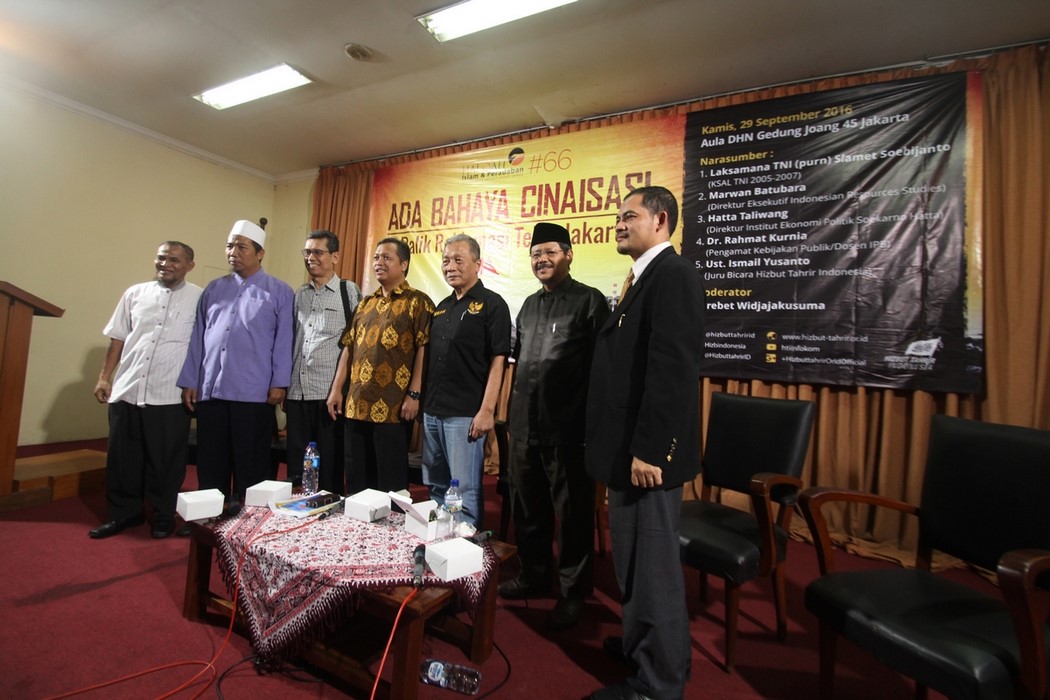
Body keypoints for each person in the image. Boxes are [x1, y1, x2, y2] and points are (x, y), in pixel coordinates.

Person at [586, 186, 704, 700]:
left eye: (629, 215)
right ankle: (645, 648)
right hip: (626, 450)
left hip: (646, 456)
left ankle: (657, 685)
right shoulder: (642, 278)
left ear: (660, 221)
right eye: (618, 216)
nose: (618, 223)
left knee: (653, 571)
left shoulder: (673, 276)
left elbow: (673, 372)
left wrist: (652, 450)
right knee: (633, 562)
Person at [500, 222, 609, 631]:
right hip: (524, 427)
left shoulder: (590, 301)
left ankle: (573, 592)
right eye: (535, 254)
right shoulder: (528, 305)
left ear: (568, 255)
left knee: (573, 516)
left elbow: (604, 368)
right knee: (528, 509)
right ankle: (533, 574)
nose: (541, 260)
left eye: (549, 252)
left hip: (568, 430)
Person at [177, 219, 293, 509]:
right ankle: (208, 515)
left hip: (254, 393)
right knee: (211, 459)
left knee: (251, 461)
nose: (233, 252)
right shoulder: (214, 289)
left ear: (260, 253)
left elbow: (284, 341)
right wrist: (190, 380)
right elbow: (198, 337)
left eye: (242, 247)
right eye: (230, 246)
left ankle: (248, 520)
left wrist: (280, 383)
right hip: (211, 390)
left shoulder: (279, 291)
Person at [90, 242, 203, 539]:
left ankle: (163, 515)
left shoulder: (199, 298)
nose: (165, 264)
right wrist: (104, 378)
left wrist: (195, 382)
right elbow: (117, 338)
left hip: (169, 393)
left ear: (190, 265)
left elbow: (202, 346)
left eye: (174, 259)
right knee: (122, 460)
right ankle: (124, 514)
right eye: (161, 258)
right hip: (128, 389)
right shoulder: (135, 293)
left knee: (166, 462)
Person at [326, 237, 434, 493]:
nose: (379, 262)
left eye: (387, 257)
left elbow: (424, 349)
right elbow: (348, 347)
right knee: (357, 480)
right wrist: (336, 389)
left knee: (390, 482)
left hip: (393, 406)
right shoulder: (365, 303)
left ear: (404, 264)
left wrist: (414, 394)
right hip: (356, 403)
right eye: (376, 257)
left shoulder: (418, 302)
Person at [421, 234, 511, 528]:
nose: (450, 267)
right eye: (446, 260)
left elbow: (499, 360)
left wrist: (487, 410)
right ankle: (439, 539)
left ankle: (464, 547)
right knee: (436, 484)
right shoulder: (442, 306)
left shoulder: (492, 304)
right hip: (433, 411)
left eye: (458, 260)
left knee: (464, 491)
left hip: (465, 414)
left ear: (477, 264)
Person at [286, 230, 361, 493]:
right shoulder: (300, 294)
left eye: (318, 252)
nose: (310, 258)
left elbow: (355, 342)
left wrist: (342, 389)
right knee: (298, 466)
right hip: (297, 392)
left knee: (329, 465)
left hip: (329, 393)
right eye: (307, 252)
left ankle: (330, 510)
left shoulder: (348, 291)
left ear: (335, 257)